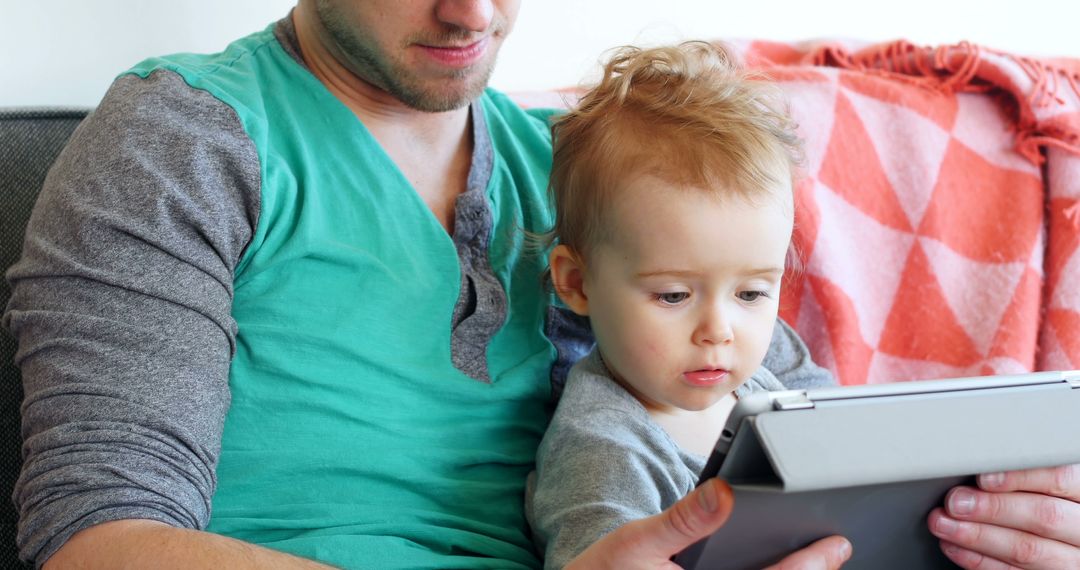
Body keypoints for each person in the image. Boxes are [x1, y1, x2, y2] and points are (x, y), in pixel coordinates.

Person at [2, 1, 1076, 569]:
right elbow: (97, 540)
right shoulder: (186, 137)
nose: (473, 11)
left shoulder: (592, 175)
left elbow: (767, 422)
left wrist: (976, 518)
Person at [524, 40, 840, 569]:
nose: (719, 330)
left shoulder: (765, 353)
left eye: (752, 293)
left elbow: (840, 426)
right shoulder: (601, 451)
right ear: (577, 283)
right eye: (673, 295)